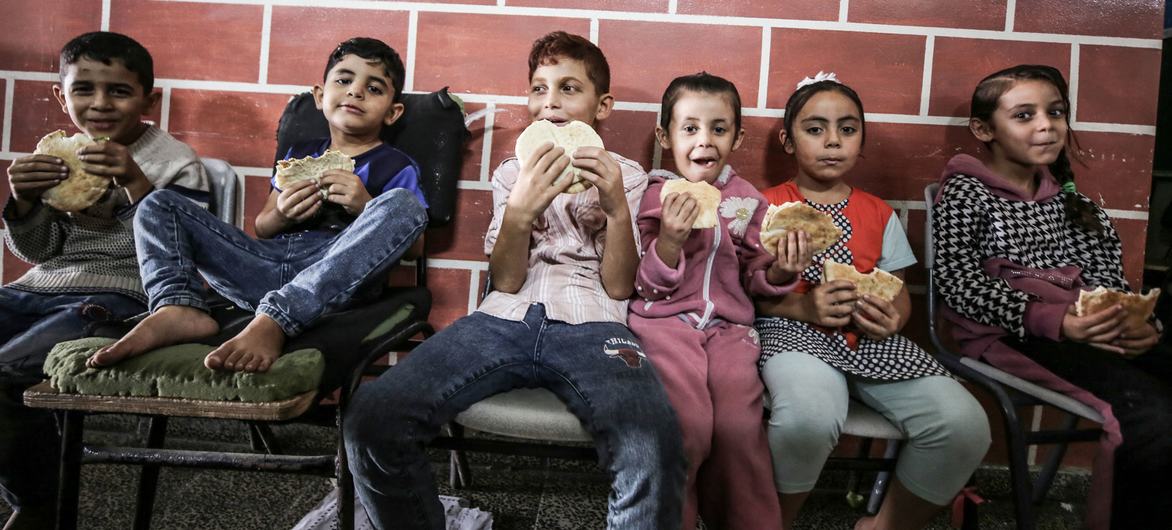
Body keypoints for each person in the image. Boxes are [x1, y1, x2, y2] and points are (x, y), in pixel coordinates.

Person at [343, 31, 685, 530]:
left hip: (594, 324)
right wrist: (521, 210)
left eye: (569, 89)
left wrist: (614, 207)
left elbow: (618, 287)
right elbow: (504, 280)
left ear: (602, 105)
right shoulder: (510, 173)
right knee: (372, 418)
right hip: (501, 319)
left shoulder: (628, 175)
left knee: (652, 442)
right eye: (539, 89)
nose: (551, 103)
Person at [88, 37, 428, 373]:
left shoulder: (395, 164)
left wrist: (364, 204)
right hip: (263, 268)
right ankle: (176, 305)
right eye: (344, 80)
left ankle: (277, 320)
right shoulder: (298, 153)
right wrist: (282, 212)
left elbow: (413, 246)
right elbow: (262, 228)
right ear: (321, 95)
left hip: (333, 279)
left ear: (392, 112)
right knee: (160, 203)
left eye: (374, 89)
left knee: (401, 204)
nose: (356, 91)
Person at [932, 64, 1172, 530]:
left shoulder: (1081, 210)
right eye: (1024, 115)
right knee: (1147, 415)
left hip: (1089, 335)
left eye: (1056, 112)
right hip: (1010, 337)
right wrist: (1059, 322)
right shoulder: (966, 194)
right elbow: (959, 286)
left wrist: (1141, 328)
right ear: (985, 130)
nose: (1046, 124)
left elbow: (1112, 290)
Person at [756, 72, 990, 530]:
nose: (832, 141)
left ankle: (884, 525)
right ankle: (771, 522)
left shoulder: (878, 212)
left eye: (847, 129)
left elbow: (897, 291)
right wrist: (802, 307)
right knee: (808, 416)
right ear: (788, 140)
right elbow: (746, 293)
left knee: (964, 424)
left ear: (861, 139)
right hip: (791, 334)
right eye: (815, 128)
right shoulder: (763, 206)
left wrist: (891, 319)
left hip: (870, 341)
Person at [0, 31, 210, 530]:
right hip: (38, 287)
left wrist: (138, 184)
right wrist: (23, 204)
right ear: (61, 96)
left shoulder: (178, 163)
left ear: (147, 99)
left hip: (122, 295)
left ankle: (38, 501)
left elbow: (190, 254)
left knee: (7, 373)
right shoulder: (57, 156)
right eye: (83, 90)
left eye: (118, 91)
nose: (99, 104)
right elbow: (39, 251)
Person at [627, 72, 796, 530]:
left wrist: (781, 268)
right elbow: (642, 285)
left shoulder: (747, 203)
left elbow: (758, 280)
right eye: (690, 128)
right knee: (686, 427)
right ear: (665, 136)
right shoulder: (651, 198)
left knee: (740, 430)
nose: (705, 140)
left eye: (719, 129)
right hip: (661, 327)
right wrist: (669, 241)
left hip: (729, 331)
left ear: (737, 137)